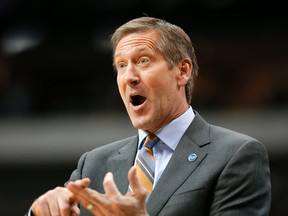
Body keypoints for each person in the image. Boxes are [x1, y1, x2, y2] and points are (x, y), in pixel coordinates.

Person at [26, 16, 271, 216]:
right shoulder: (93, 164)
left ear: (182, 71)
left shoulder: (236, 154)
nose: (129, 76)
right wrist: (39, 210)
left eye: (143, 61)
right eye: (121, 65)